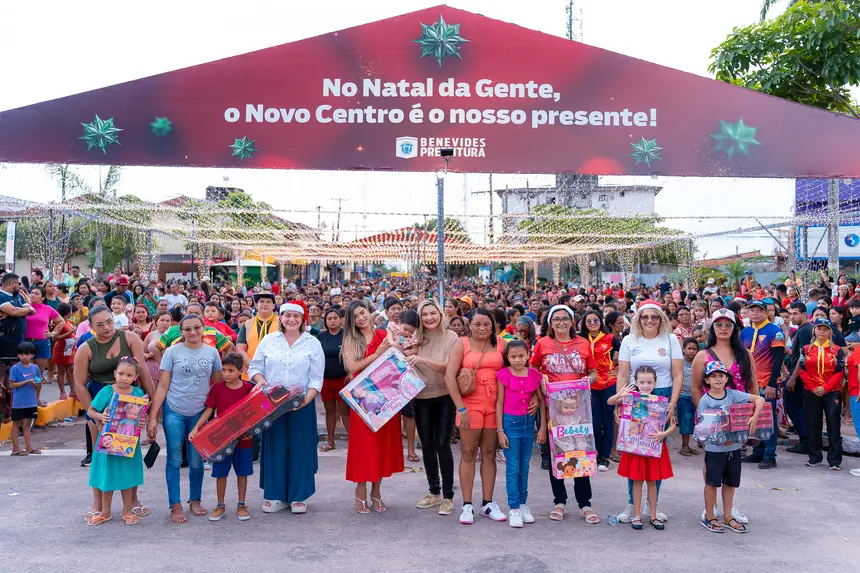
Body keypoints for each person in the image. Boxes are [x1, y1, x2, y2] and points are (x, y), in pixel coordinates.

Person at [146, 314, 224, 524]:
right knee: (173, 458)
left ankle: (195, 499)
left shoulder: (212, 353)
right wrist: (153, 417)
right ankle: (175, 503)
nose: (192, 333)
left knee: (197, 460)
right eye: (187, 329)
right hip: (174, 410)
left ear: (203, 328)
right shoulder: (171, 352)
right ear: (180, 332)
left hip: (200, 412)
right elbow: (162, 386)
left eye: (197, 328)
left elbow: (218, 386)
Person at [530, 305, 599, 524]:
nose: (561, 323)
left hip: (579, 411)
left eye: (565, 319)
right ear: (550, 323)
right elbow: (532, 370)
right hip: (553, 410)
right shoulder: (542, 344)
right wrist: (540, 378)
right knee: (557, 454)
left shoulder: (583, 344)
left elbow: (594, 372)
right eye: (556, 319)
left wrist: (589, 380)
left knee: (580, 452)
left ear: (572, 322)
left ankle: (585, 503)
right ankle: (559, 501)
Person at [614, 301, 682, 524]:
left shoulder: (670, 340)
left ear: (661, 318)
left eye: (654, 316)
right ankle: (632, 504)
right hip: (635, 397)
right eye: (645, 317)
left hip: (661, 396)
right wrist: (621, 402)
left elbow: (678, 374)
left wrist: (672, 402)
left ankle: (651, 504)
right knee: (634, 451)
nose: (650, 321)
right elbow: (623, 375)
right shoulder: (629, 340)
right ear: (638, 319)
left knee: (655, 451)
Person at [445, 308, 508, 524]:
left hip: (495, 405)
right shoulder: (461, 344)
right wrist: (460, 409)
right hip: (470, 405)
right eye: (477, 324)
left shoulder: (501, 344)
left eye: (486, 324)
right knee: (468, 453)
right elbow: (449, 377)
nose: (482, 328)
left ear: (493, 325)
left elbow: (514, 371)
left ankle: (488, 503)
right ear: (469, 325)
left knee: (490, 453)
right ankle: (467, 505)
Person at [342, 300, 403, 514]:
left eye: (362, 313)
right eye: (355, 316)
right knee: (363, 447)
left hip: (385, 396)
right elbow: (353, 367)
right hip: (362, 399)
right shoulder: (351, 340)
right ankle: (360, 494)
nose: (360, 318)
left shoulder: (383, 334)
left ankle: (376, 493)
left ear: (369, 312)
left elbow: (395, 359)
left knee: (382, 446)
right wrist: (377, 354)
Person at [698, 360, 764, 534]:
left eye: (721, 375)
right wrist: (719, 438)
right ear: (707, 380)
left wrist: (755, 416)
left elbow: (759, 398)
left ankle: (728, 516)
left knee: (730, 483)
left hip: (734, 448)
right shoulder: (705, 401)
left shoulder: (733, 395)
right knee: (712, 483)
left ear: (727, 378)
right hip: (714, 450)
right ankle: (710, 516)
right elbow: (702, 430)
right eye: (713, 376)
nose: (718, 379)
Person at [609, 366, 676, 531]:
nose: (645, 385)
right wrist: (620, 394)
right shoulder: (630, 397)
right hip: (635, 446)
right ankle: (636, 515)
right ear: (636, 382)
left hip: (653, 446)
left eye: (649, 382)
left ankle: (652, 515)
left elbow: (673, 423)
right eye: (642, 382)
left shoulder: (661, 402)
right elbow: (610, 401)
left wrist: (664, 433)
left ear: (655, 382)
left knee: (653, 482)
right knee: (637, 481)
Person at [189, 353, 254, 522]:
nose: (226, 374)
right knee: (220, 473)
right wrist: (196, 428)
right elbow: (209, 410)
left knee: (242, 472)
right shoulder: (217, 389)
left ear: (241, 371)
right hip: (222, 440)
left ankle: (241, 504)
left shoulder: (248, 389)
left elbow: (255, 412)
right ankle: (220, 505)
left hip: (243, 439)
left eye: (231, 370)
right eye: (224, 370)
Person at [410, 300, 459, 516]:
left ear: (440, 314)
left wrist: (422, 359)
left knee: (443, 444)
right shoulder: (415, 338)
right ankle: (434, 491)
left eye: (433, 313)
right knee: (427, 446)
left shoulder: (451, 337)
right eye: (425, 314)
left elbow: (449, 367)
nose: (429, 317)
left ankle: (448, 496)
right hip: (420, 396)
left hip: (445, 396)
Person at [85, 356, 147, 526]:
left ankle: (127, 510)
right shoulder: (107, 391)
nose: (124, 378)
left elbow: (141, 416)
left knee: (127, 476)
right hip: (108, 441)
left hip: (128, 443)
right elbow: (90, 411)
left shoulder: (138, 393)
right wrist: (101, 416)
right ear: (115, 373)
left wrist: (142, 421)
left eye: (129, 375)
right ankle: (105, 511)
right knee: (108, 475)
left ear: (135, 377)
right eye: (121, 374)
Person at [495, 339, 546, 528]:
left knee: (524, 467)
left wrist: (541, 429)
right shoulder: (503, 375)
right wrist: (500, 431)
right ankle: (513, 507)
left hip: (528, 424)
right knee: (513, 467)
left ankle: (523, 504)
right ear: (507, 357)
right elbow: (499, 403)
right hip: (510, 424)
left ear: (528, 355)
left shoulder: (535, 375)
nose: (517, 360)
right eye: (513, 356)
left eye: (521, 356)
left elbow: (541, 402)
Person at [788, 318, 845, 470]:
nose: (822, 332)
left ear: (830, 332)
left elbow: (840, 372)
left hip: (832, 392)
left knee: (833, 425)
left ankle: (834, 460)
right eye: (819, 329)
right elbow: (802, 369)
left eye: (825, 329)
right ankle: (815, 457)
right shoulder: (806, 349)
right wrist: (813, 386)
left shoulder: (837, 350)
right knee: (813, 424)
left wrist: (825, 388)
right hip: (811, 391)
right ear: (814, 331)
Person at [739, 300, 785, 470]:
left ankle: (770, 455)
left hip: (767, 384)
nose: (755, 313)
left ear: (766, 313)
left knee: (768, 419)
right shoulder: (745, 332)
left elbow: (778, 359)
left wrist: (772, 384)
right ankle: (758, 451)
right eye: (752, 310)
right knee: (754, 418)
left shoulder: (775, 331)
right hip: (749, 384)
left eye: (759, 310)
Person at [579, 309, 619, 471]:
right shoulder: (581, 339)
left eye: (596, 321)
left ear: (600, 322)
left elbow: (622, 357)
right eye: (589, 321)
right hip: (589, 385)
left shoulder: (610, 338)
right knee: (594, 422)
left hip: (609, 383)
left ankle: (604, 456)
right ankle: (594, 453)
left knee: (607, 421)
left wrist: (616, 367)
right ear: (584, 324)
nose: (593, 324)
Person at [317, 308, 350, 452]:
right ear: (325, 321)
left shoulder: (346, 335)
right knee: (329, 411)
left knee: (345, 412)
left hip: (343, 379)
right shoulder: (321, 336)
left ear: (340, 319)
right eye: (329, 318)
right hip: (326, 380)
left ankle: (354, 443)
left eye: (335, 318)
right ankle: (331, 442)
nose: (332, 321)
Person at [24, 286, 63, 407]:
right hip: (26, 342)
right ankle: (25, 399)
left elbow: (61, 321)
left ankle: (36, 398)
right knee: (25, 372)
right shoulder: (24, 308)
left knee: (38, 373)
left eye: (36, 293)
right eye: (31, 293)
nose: (32, 295)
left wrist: (53, 333)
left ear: (42, 296)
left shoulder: (47, 309)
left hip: (42, 342)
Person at [785, 301, 812, 455]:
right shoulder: (802, 330)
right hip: (798, 375)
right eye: (791, 313)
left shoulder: (805, 331)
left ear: (804, 314)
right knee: (797, 407)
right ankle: (805, 440)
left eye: (795, 313)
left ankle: (805, 440)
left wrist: (793, 378)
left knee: (792, 406)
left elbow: (803, 357)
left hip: (800, 377)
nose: (792, 316)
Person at [8, 342, 41, 456]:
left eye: (27, 354)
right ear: (18, 355)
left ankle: (29, 447)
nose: (25, 357)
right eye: (22, 354)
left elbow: (38, 382)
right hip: (18, 402)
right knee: (16, 424)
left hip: (30, 401)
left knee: (27, 425)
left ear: (32, 355)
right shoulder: (15, 369)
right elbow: (12, 385)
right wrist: (27, 381)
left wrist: (37, 394)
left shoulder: (35, 368)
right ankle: (15, 448)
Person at [678, 337, 700, 456]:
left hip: (695, 395)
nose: (691, 351)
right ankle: (684, 446)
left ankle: (689, 445)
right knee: (685, 419)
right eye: (689, 348)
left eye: (694, 349)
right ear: (684, 349)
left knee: (693, 420)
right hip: (683, 395)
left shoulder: (699, 362)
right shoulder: (680, 362)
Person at [51, 302, 76, 400]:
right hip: (61, 351)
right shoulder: (59, 323)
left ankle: (73, 390)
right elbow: (55, 338)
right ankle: (62, 392)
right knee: (61, 371)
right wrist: (69, 333)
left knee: (71, 369)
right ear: (68, 313)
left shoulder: (69, 322)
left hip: (69, 351)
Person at [143, 312, 172, 390]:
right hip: (150, 369)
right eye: (162, 320)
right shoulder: (150, 335)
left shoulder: (174, 336)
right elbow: (142, 352)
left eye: (167, 321)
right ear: (156, 322)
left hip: (166, 369)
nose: (164, 323)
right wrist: (147, 355)